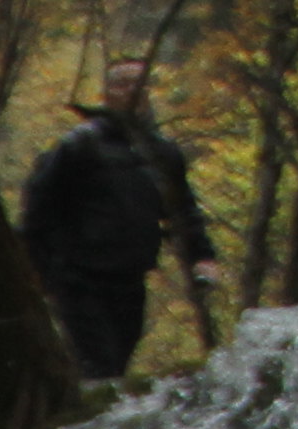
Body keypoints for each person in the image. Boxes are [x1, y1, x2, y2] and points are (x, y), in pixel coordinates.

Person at [22, 58, 221, 385]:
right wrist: (42, 273)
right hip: (79, 280)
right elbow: (38, 211)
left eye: (138, 83)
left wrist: (203, 256)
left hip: (131, 281)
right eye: (121, 83)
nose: (131, 91)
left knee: (117, 366)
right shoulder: (78, 147)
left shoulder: (161, 153)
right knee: (99, 369)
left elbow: (182, 211)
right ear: (106, 92)